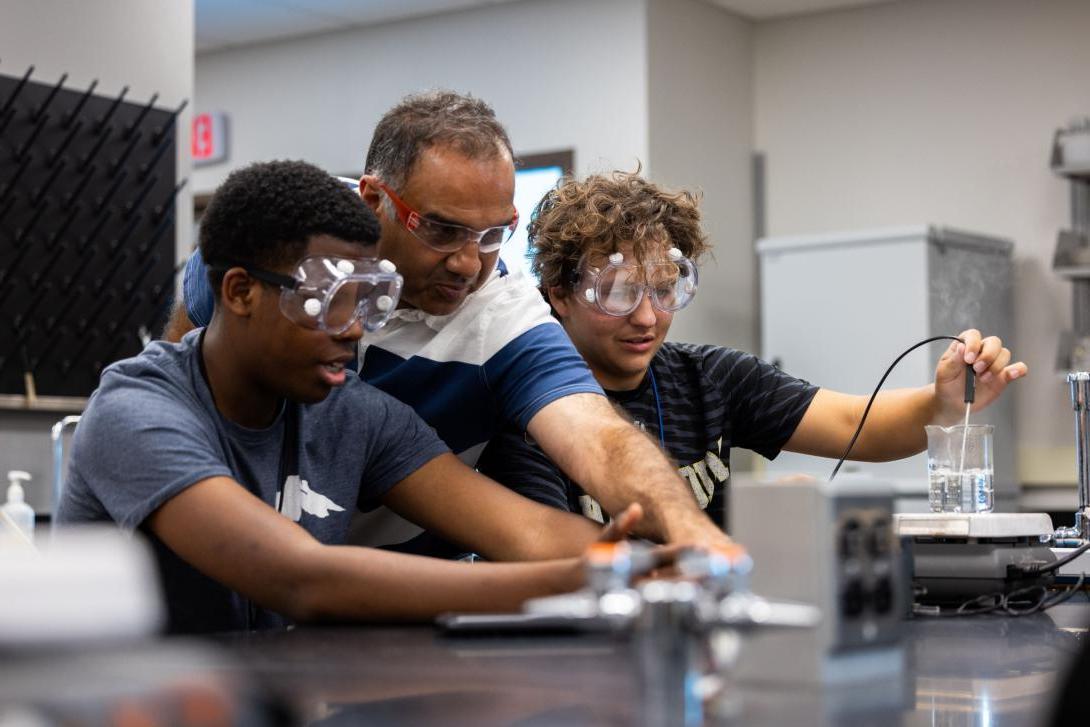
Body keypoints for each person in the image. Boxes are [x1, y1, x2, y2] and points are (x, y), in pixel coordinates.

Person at [57, 160, 646, 634]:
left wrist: (653, 566)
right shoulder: (136, 411)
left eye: (370, 297)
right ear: (240, 292)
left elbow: (527, 533)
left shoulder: (350, 412)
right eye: (329, 297)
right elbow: (300, 580)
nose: (354, 327)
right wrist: (578, 581)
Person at [166, 91, 730, 552]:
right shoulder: (277, 237)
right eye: (440, 229)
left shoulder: (486, 331)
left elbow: (594, 443)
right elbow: (184, 368)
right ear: (373, 202)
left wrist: (692, 540)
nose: (467, 263)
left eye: (492, 235)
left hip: (377, 608)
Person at [475, 171, 1028, 524]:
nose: (647, 316)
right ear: (559, 294)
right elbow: (557, 555)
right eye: (618, 294)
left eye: (665, 289)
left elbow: (853, 424)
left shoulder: (711, 378)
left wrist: (943, 404)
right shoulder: (531, 406)